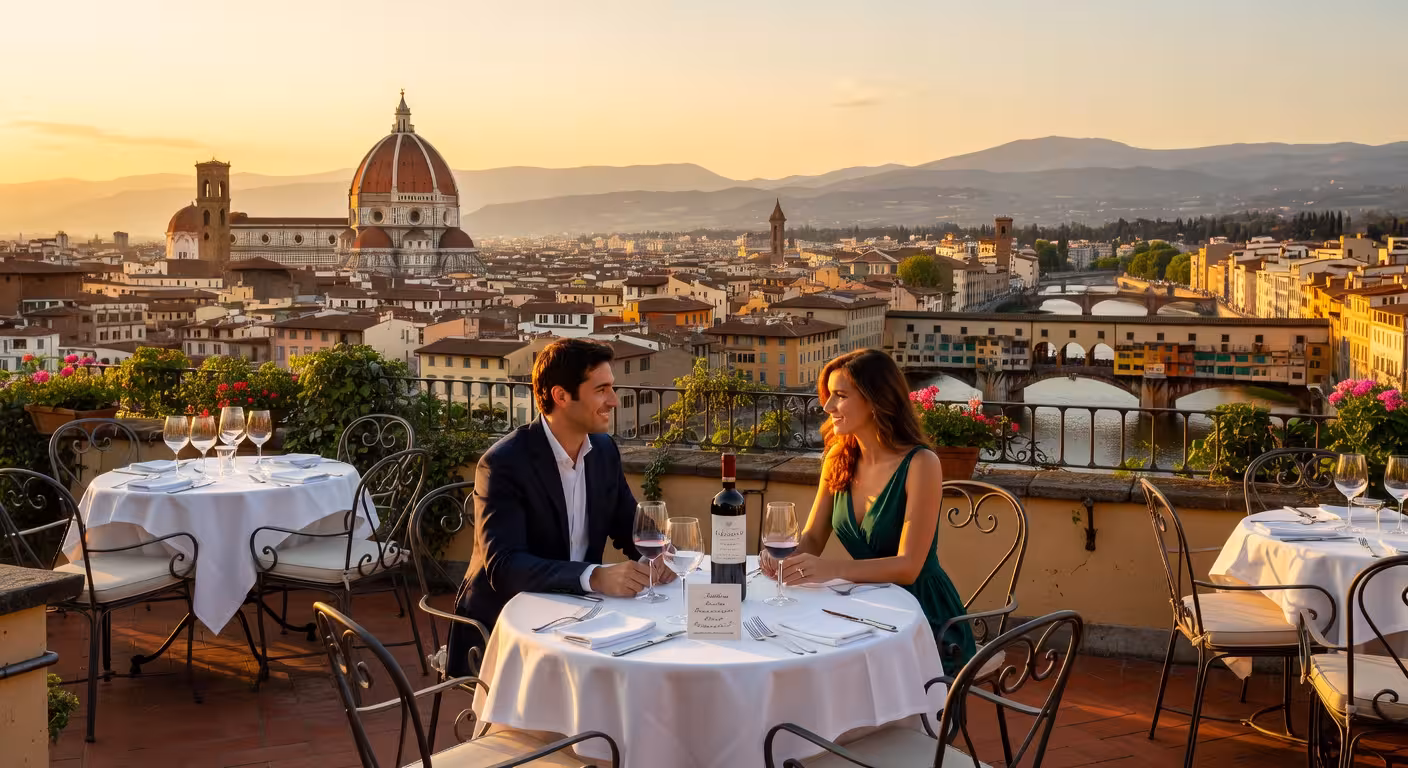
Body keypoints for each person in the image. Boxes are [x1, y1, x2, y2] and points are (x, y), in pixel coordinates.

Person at [447, 338, 673, 677]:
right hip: (507, 629)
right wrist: (595, 577)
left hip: (583, 619)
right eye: (601, 390)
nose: (613, 400)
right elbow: (505, 566)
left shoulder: (603, 450)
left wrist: (662, 555)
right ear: (561, 396)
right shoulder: (504, 463)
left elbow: (631, 524)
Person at [764, 348, 976, 666]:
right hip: (865, 608)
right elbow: (812, 540)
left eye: (840, 395)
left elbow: (908, 567)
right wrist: (783, 557)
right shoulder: (838, 459)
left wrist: (831, 570)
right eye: (828, 395)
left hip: (924, 618)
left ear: (875, 400)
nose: (827, 406)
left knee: (838, 667)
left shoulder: (921, 463)